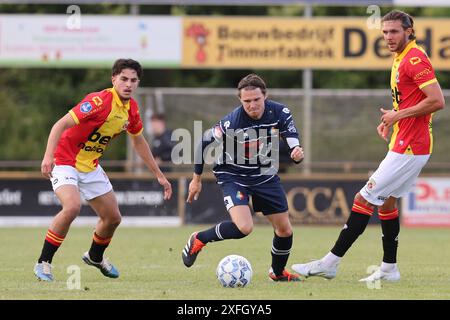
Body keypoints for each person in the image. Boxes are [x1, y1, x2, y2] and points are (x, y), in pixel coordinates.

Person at [292, 10, 445, 282]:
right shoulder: (401, 58)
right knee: (386, 203)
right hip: (407, 142)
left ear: (409, 31)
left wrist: (396, 116)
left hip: (410, 147)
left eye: (394, 31)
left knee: (363, 199)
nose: (388, 37)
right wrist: (392, 120)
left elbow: (437, 100)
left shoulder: (415, 58)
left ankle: (329, 263)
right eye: (385, 32)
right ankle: (389, 269)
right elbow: (411, 102)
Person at [34, 59, 172, 281]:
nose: (128, 84)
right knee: (72, 207)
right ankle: (43, 262)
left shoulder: (132, 110)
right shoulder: (99, 101)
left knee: (113, 218)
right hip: (65, 160)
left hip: (90, 166)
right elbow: (59, 125)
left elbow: (139, 142)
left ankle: (95, 256)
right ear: (114, 79)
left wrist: (159, 175)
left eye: (133, 80)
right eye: (124, 79)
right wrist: (48, 155)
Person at [181, 74, 305, 282]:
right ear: (240, 100)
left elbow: (291, 136)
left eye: (256, 99)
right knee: (243, 228)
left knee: (284, 229)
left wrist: (296, 151)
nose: (252, 105)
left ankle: (277, 272)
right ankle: (199, 239)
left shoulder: (280, 112)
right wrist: (196, 179)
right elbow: (203, 143)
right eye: (247, 101)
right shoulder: (232, 121)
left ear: (265, 96)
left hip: (264, 174)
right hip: (233, 175)